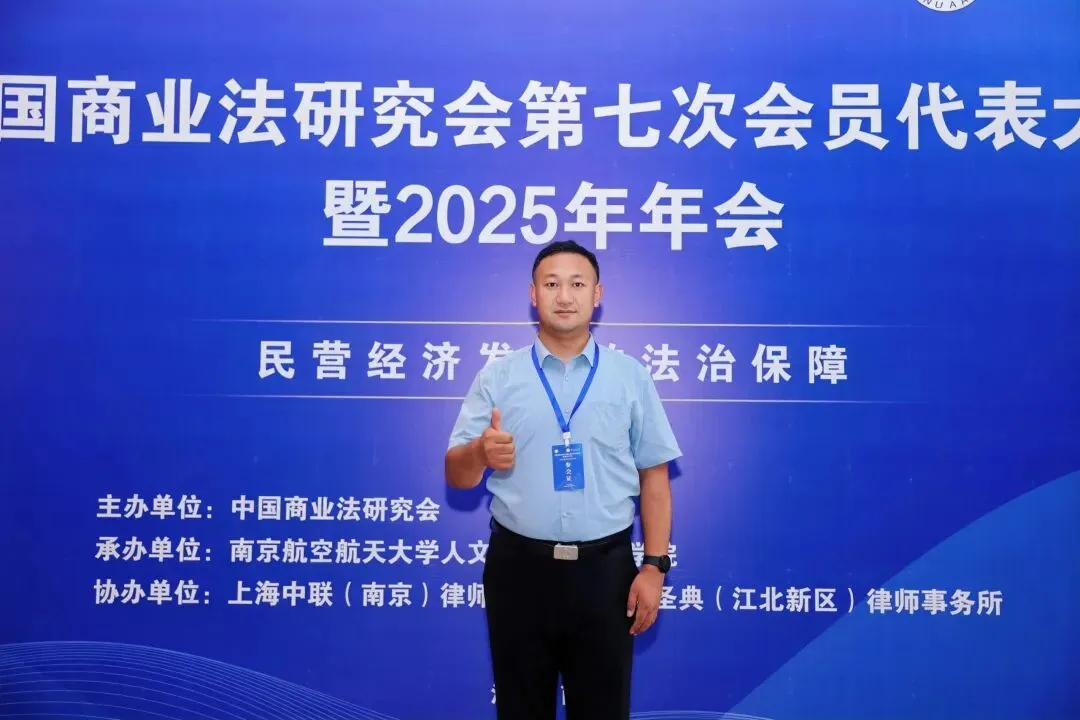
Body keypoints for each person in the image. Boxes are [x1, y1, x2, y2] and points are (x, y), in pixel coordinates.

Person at [444, 239, 682, 720]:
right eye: (552, 284)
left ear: (598, 294)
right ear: (533, 294)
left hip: (605, 574)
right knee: (521, 710)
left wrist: (654, 568)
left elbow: (655, 479)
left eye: (578, 283)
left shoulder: (630, 377)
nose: (565, 296)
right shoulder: (499, 378)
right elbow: (457, 475)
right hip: (519, 571)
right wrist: (479, 452)